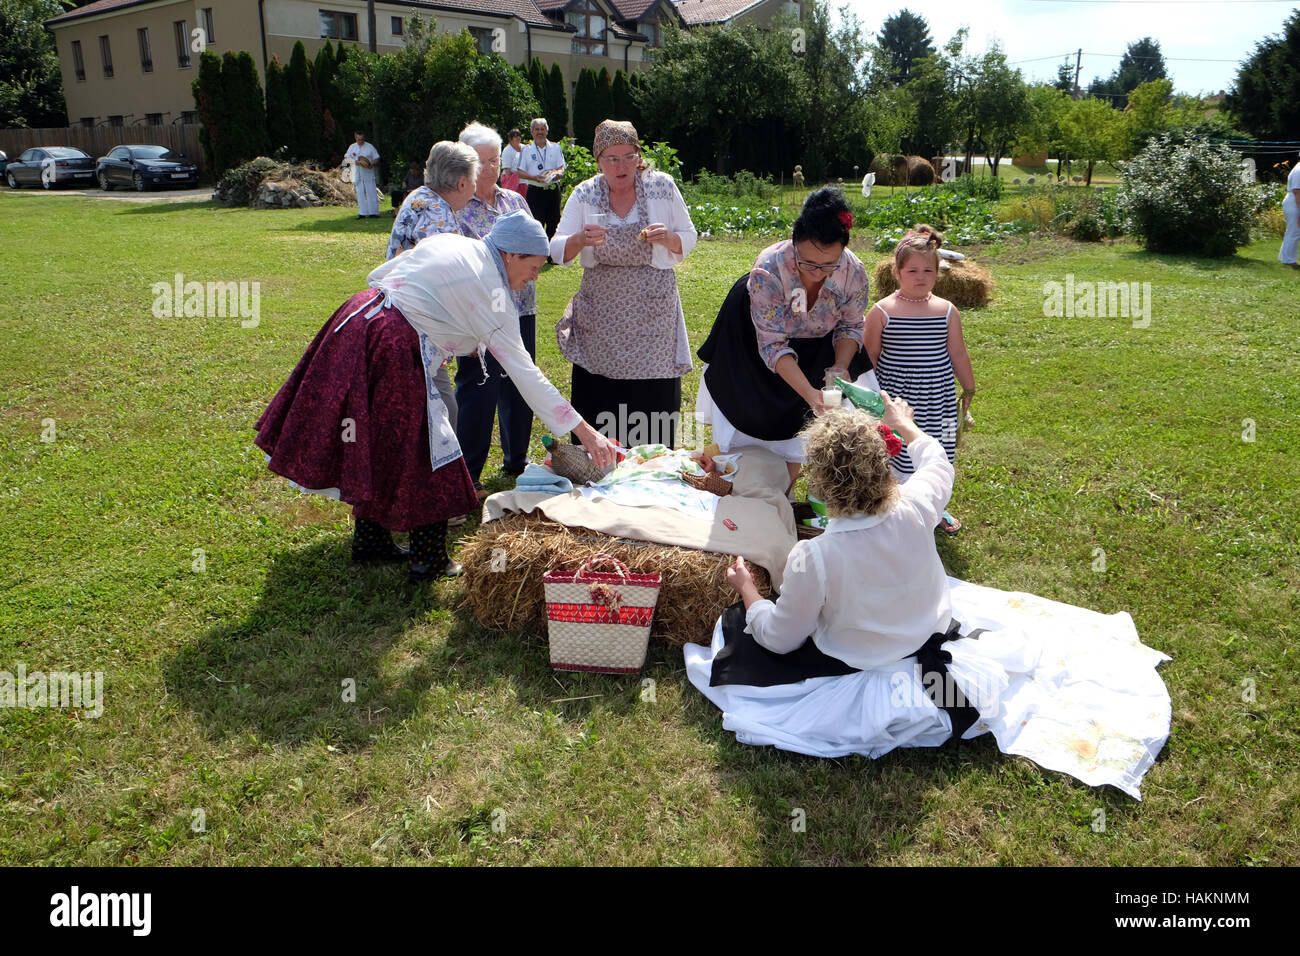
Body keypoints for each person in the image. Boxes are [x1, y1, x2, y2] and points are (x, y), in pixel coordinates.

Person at [683, 401, 1172, 799]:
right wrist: (907, 426)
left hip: (860, 664)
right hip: (933, 642)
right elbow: (937, 462)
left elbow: (782, 639)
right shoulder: (917, 506)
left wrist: (747, 589)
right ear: (882, 468)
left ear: (821, 481)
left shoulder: (815, 556)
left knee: (736, 637)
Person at [254, 210, 621, 580]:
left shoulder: (454, 242)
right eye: (534, 266)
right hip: (393, 343)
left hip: (357, 318)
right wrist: (586, 433)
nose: (534, 278)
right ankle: (428, 559)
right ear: (511, 254)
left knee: (378, 439)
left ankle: (371, 540)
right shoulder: (491, 289)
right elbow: (525, 373)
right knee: (431, 447)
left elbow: (381, 277)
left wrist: (428, 333)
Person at [695, 188, 873, 492]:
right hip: (755, 343)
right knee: (749, 412)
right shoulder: (770, 268)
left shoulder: (852, 272)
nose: (818, 274)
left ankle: (783, 494)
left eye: (828, 264)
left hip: (818, 343)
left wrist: (841, 366)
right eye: (808, 263)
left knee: (800, 425)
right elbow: (773, 344)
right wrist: (809, 392)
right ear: (794, 244)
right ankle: (731, 490)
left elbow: (851, 325)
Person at [550, 119, 697, 449]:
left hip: (652, 317)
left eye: (628, 157)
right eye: (612, 159)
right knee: (600, 399)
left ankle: (650, 468)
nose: (621, 166)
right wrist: (578, 239)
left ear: (638, 156)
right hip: (601, 318)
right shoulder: (585, 193)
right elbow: (557, 249)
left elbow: (689, 237)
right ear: (599, 160)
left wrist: (671, 238)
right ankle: (598, 466)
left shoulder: (662, 187)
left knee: (652, 409)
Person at [385, 140, 477, 522]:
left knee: (428, 410)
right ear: (459, 183)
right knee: (441, 412)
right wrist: (468, 336)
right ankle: (438, 503)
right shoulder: (439, 218)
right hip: (417, 331)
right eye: (473, 179)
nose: (475, 186)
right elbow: (445, 286)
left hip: (398, 323)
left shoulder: (418, 198)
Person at [865, 225, 974, 535]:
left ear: (938, 273)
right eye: (912, 270)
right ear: (897, 272)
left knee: (939, 451)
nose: (921, 276)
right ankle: (894, 503)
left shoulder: (946, 311)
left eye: (928, 269)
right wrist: (870, 397)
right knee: (895, 450)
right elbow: (869, 357)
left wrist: (969, 387)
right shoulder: (882, 311)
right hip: (899, 400)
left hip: (938, 398)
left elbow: (959, 354)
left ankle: (934, 506)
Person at [453, 122, 537, 488]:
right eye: (481, 161)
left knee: (520, 383)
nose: (489, 168)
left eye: (494, 160)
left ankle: (517, 459)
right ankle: (467, 472)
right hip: (479, 315)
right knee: (479, 388)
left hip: (520, 307)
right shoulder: (456, 206)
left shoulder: (514, 200)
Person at [520, 118, 565, 238]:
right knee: (535, 224)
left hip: (553, 190)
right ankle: (537, 255)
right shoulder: (526, 150)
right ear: (532, 132)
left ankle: (552, 256)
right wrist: (534, 178)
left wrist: (556, 173)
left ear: (547, 131)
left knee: (554, 224)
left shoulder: (556, 148)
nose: (540, 132)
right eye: (537, 129)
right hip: (535, 191)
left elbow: (562, 167)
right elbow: (520, 172)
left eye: (542, 129)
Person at [344, 130, 380, 219]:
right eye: (359, 139)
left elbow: (377, 158)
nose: (361, 141)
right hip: (357, 173)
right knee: (360, 193)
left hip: (368, 173)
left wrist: (372, 164)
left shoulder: (369, 147)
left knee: (371, 192)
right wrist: (354, 161)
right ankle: (362, 213)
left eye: (362, 139)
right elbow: (347, 158)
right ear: (355, 137)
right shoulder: (352, 147)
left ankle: (373, 212)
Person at [1279, 158, 1300, 268]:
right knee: (1294, 231)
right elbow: (1298, 192)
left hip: (1295, 201)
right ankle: (1288, 260)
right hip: (1295, 202)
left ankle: (1285, 257)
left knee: (1293, 231)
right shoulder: (1299, 170)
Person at [500, 128, 527, 198]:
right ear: (511, 139)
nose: (518, 138)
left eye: (519, 135)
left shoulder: (525, 148)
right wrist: (512, 184)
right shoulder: (507, 151)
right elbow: (507, 173)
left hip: (526, 181)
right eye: (515, 136)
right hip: (514, 183)